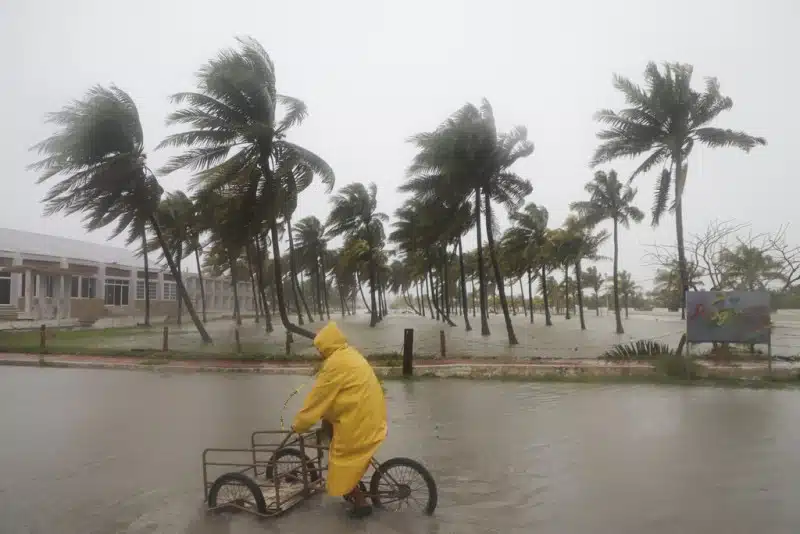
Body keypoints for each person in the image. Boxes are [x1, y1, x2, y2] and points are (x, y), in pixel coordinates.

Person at [291, 322, 387, 519]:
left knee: (340, 461)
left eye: (319, 349)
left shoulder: (335, 365)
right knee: (333, 433)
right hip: (372, 415)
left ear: (326, 345)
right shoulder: (349, 354)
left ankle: (360, 502)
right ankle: (353, 484)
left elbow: (317, 399)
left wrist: (299, 425)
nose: (319, 353)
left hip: (359, 422)